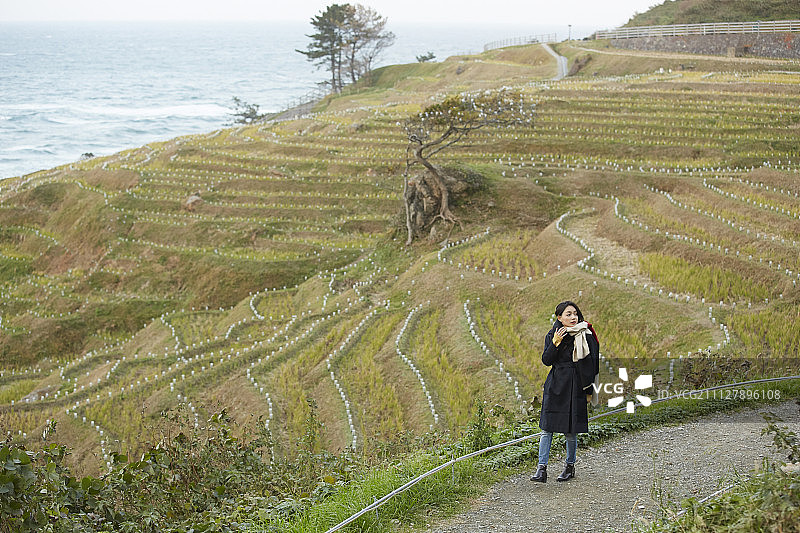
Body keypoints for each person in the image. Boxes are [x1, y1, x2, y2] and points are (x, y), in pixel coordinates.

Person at [530, 300, 599, 483]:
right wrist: (556, 343)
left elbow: (593, 363)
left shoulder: (586, 334)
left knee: (570, 430)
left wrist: (589, 388)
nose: (573, 317)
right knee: (547, 428)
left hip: (575, 384)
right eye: (568, 314)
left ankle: (570, 466)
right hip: (556, 384)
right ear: (559, 317)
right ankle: (541, 469)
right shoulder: (553, 334)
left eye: (575, 313)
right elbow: (546, 360)